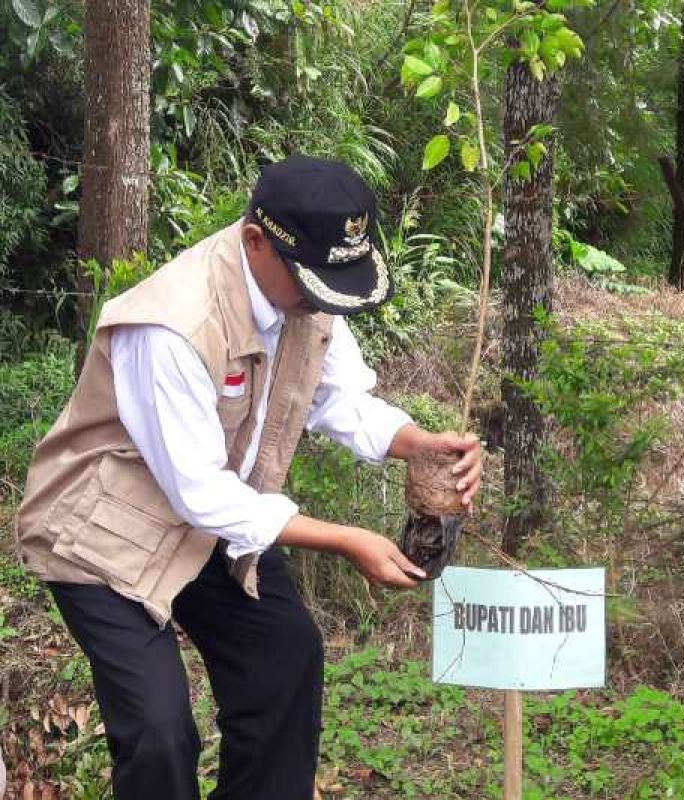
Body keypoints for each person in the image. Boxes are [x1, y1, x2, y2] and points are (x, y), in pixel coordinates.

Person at [15, 155, 483, 799]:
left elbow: (338, 398)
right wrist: (349, 540)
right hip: (102, 533)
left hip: (210, 519)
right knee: (158, 731)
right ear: (256, 241)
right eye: (312, 281)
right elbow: (201, 492)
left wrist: (418, 444)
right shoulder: (171, 325)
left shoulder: (308, 289)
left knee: (285, 659)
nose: (321, 299)